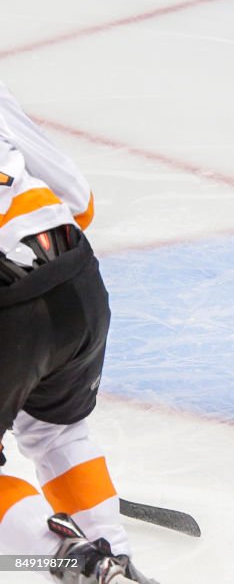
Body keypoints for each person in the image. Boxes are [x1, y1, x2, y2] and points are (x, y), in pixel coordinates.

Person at [0, 81, 155, 583]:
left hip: (9, 310)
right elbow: (78, 202)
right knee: (55, 430)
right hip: (76, 282)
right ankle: (117, 564)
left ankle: (72, 564)